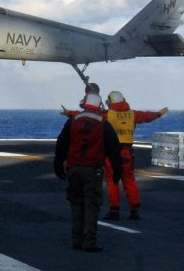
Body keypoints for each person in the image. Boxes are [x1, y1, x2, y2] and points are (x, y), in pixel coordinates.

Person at [54, 93, 122, 252]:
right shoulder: (104, 123)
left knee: (76, 204)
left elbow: (61, 144)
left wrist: (58, 164)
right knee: (92, 205)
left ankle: (76, 239)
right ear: (100, 107)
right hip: (93, 170)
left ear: (83, 104)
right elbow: (114, 149)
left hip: (73, 168)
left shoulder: (73, 120)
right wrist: (117, 171)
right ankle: (90, 241)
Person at [103, 91, 168, 221]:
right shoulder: (132, 114)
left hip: (112, 154)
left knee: (112, 181)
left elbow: (89, 116)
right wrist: (159, 113)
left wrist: (70, 113)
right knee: (129, 180)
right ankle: (134, 211)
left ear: (111, 101)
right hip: (127, 152)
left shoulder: (107, 115)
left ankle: (114, 211)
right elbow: (148, 116)